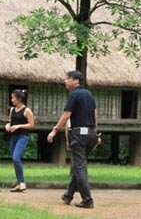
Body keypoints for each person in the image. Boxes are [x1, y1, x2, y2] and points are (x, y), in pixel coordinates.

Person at [47, 70, 99, 209]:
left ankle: (87, 199)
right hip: (90, 134)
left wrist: (54, 130)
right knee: (79, 165)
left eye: (68, 78)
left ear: (76, 81)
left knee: (79, 166)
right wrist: (95, 133)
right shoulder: (89, 94)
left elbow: (66, 115)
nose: (65, 81)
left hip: (79, 134)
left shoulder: (74, 94)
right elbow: (95, 115)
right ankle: (69, 195)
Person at [5, 89, 35, 192]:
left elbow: (31, 125)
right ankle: (19, 183)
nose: (11, 100)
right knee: (14, 160)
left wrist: (19, 126)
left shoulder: (27, 110)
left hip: (22, 137)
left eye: (13, 98)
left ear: (19, 99)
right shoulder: (12, 110)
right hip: (13, 137)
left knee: (16, 157)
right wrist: (8, 126)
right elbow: (10, 122)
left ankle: (22, 182)